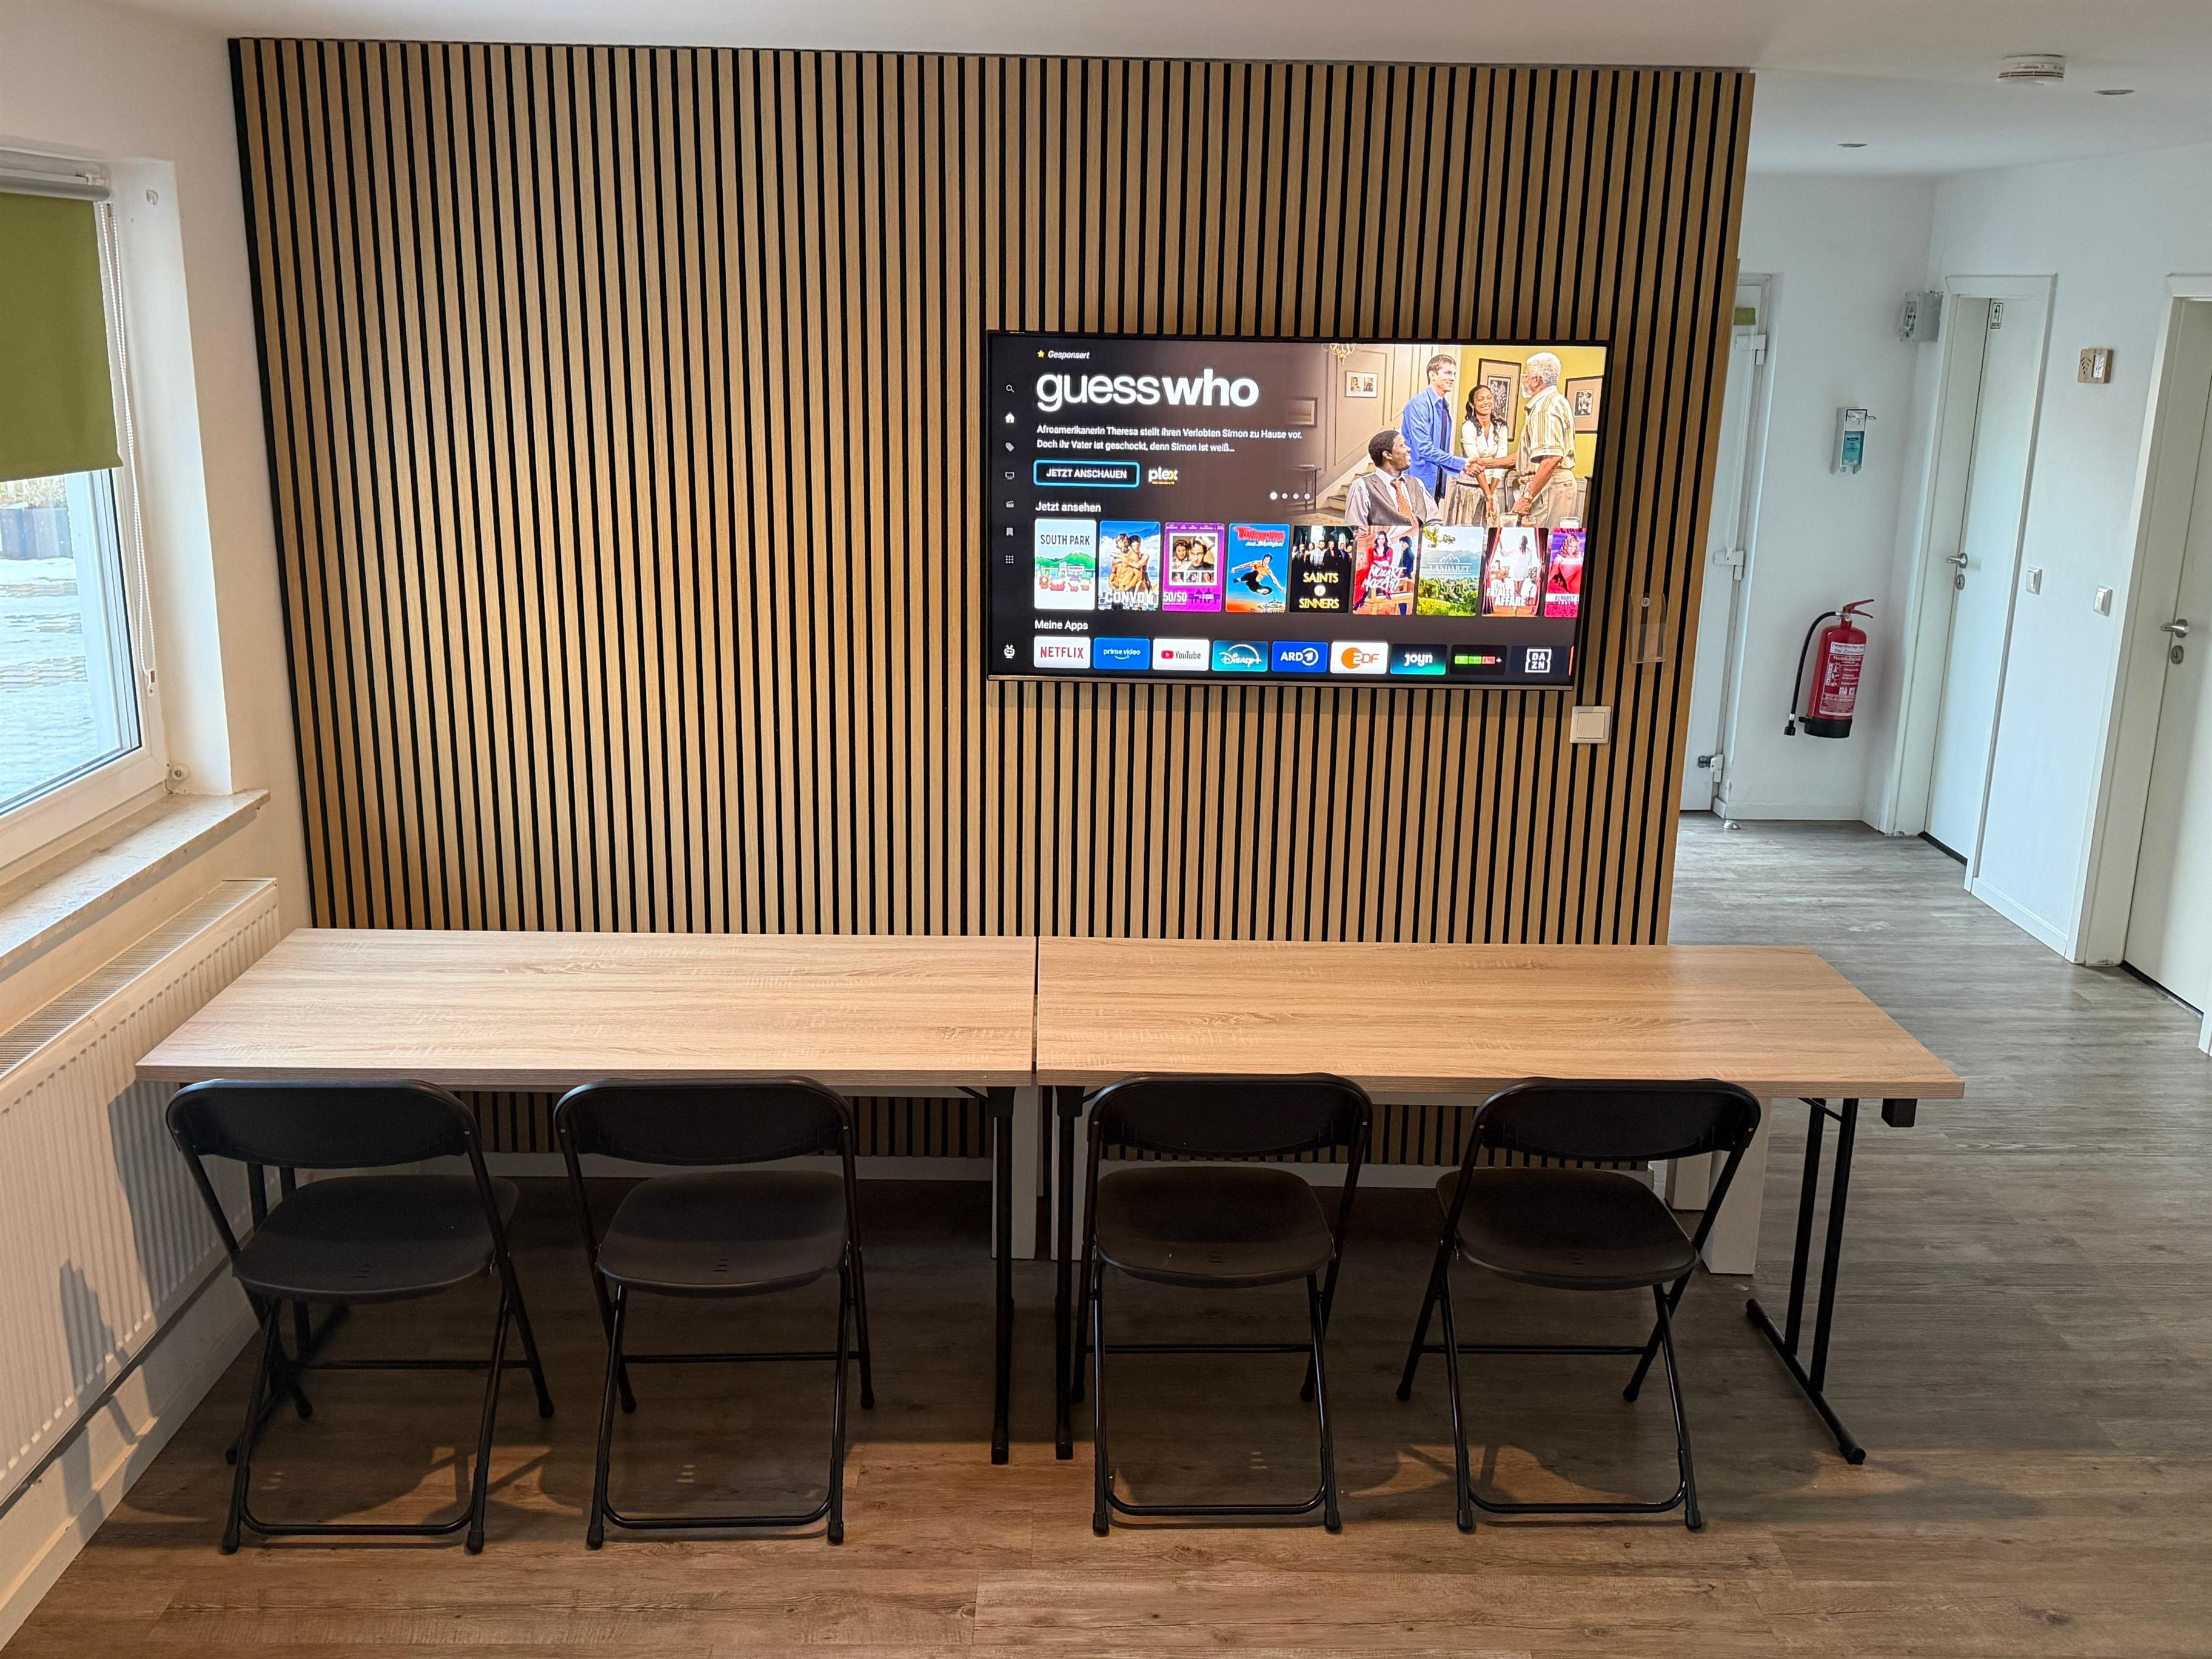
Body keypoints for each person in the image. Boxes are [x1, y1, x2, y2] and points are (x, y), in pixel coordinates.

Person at [1510, 352, 1578, 530]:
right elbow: (1530, 455)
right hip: (1552, 485)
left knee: (1540, 541)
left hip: (1549, 487)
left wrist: (1526, 498)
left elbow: (1551, 458)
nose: (1523, 380)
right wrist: (1489, 463)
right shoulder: (1556, 401)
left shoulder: (1544, 409)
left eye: (1525, 375)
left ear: (1536, 380)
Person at [1444, 381, 1513, 527]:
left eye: (1489, 398)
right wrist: (1487, 495)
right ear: (1472, 404)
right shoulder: (1468, 427)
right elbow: (1476, 463)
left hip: (1491, 487)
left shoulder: (1501, 427)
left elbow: (1501, 461)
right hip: (1469, 488)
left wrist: (1491, 494)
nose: (1486, 402)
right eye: (1481, 399)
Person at [1398, 352, 1464, 498]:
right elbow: (1424, 449)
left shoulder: (1443, 406)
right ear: (1432, 375)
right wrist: (1461, 463)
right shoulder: (1419, 405)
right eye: (1447, 373)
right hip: (1417, 482)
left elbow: (1441, 448)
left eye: (1454, 374)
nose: (1453, 378)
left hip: (1437, 482)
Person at [1344, 429, 1438, 528]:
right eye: (1402, 446)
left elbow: (1434, 520)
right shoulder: (1362, 486)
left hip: (1420, 537)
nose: (1409, 449)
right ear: (1387, 455)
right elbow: (1356, 529)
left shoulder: (1417, 483)